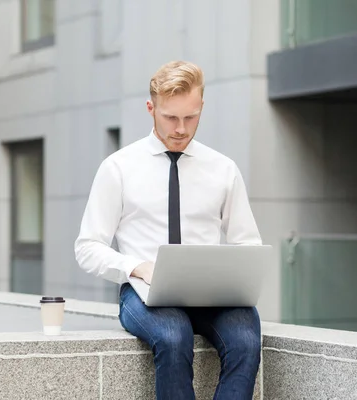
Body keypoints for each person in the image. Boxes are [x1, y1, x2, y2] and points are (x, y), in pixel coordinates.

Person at [74, 61, 262, 400]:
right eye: (170, 118)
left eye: (190, 118)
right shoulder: (118, 168)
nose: (180, 128)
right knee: (174, 337)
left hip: (212, 293)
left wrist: (232, 271)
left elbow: (247, 242)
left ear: (201, 106)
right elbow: (87, 246)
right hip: (145, 292)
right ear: (151, 108)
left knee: (247, 340)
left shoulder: (223, 170)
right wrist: (136, 267)